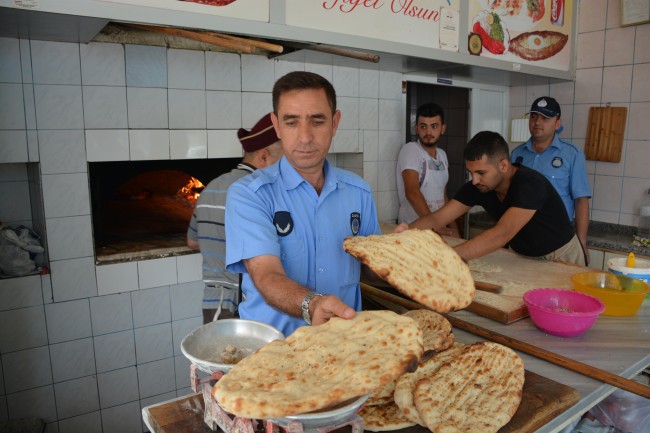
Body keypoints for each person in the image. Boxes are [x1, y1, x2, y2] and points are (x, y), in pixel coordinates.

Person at [224, 71, 382, 336]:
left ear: (335, 122)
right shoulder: (250, 194)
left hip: (344, 347)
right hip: (274, 352)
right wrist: (313, 304)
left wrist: (398, 258)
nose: (305, 137)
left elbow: (371, 270)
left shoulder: (359, 192)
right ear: (276, 126)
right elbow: (266, 275)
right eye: (292, 122)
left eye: (317, 121)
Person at [398, 131, 585, 266]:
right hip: (523, 256)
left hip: (561, 257)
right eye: (471, 172)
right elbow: (437, 218)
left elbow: (502, 233)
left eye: (481, 172)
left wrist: (447, 258)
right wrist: (403, 235)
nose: (475, 180)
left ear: (503, 165)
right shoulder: (479, 186)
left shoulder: (531, 185)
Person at [187, 113, 284, 324]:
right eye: (284, 160)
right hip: (247, 304)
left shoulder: (209, 188)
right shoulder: (261, 194)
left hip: (214, 304)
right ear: (265, 156)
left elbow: (192, 241)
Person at [511, 96, 591, 264]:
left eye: (545, 118)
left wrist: (582, 241)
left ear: (557, 123)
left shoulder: (571, 154)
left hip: (558, 238)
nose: (537, 122)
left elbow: (581, 200)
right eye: (533, 116)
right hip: (523, 236)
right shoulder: (517, 154)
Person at [396, 103, 459, 236]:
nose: (428, 132)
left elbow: (444, 196)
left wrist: (455, 229)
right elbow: (412, 192)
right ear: (417, 129)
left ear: (442, 128)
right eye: (423, 126)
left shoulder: (442, 155)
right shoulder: (411, 149)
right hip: (413, 230)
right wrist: (435, 227)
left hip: (436, 230)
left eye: (434, 126)